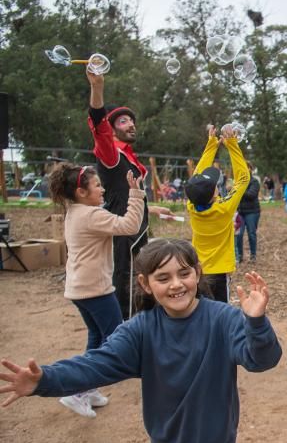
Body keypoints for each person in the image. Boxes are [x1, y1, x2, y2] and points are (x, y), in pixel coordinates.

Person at [0, 239, 282, 443]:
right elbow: (96, 364)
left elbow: (262, 360)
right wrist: (44, 380)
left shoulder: (224, 319)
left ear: (197, 273)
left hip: (213, 442)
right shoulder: (140, 329)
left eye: (184, 273)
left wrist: (256, 323)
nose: (176, 284)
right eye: (163, 277)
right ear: (145, 284)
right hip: (165, 437)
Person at [47, 163, 145, 418]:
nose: (103, 189)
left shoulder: (76, 211)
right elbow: (130, 226)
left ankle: (86, 387)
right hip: (94, 290)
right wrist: (135, 194)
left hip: (79, 288)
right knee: (114, 338)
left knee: (97, 337)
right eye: (98, 185)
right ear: (81, 191)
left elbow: (111, 220)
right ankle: (78, 390)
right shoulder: (91, 216)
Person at [85, 70, 172, 319]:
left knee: (138, 286)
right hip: (125, 236)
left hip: (136, 232)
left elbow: (123, 194)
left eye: (131, 120)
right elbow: (98, 126)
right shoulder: (111, 155)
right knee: (126, 287)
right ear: (111, 130)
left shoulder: (128, 157)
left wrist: (151, 209)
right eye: (122, 121)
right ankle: (124, 341)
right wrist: (97, 87)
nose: (131, 124)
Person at [185, 125, 250, 303]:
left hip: (198, 270)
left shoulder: (192, 205)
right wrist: (231, 144)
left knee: (200, 309)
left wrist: (212, 143)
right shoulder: (224, 208)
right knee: (221, 313)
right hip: (219, 273)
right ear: (214, 193)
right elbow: (243, 178)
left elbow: (196, 177)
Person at [235, 166, 261, 263]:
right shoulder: (238, 181)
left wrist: (239, 190)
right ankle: (239, 256)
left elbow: (251, 195)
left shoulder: (254, 182)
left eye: (246, 167)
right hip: (240, 212)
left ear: (250, 169)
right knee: (239, 234)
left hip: (252, 212)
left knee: (251, 234)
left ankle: (253, 255)